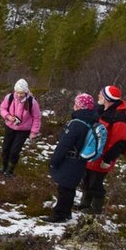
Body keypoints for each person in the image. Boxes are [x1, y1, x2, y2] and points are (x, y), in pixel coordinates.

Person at [78, 85, 126, 215]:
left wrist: (107, 159)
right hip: (92, 152)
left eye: (101, 94)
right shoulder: (101, 109)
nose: (98, 95)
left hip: (103, 156)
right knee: (86, 179)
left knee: (96, 183)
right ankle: (84, 204)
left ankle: (96, 209)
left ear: (107, 98)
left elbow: (119, 141)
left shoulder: (119, 118)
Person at [46, 93, 98, 223]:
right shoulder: (90, 121)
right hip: (80, 162)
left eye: (76, 104)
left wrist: (54, 161)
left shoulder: (76, 124)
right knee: (70, 188)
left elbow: (64, 144)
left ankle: (59, 215)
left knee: (64, 189)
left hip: (70, 161)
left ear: (80, 106)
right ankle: (67, 212)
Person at [0, 78, 41, 175]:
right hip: (10, 126)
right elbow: (2, 108)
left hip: (23, 130)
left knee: (14, 151)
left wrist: (34, 132)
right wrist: (8, 116)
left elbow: (37, 117)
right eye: (17, 92)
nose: (19, 95)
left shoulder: (32, 102)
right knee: (5, 148)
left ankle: (10, 170)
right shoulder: (9, 98)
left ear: (26, 92)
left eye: (21, 93)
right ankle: (4, 167)